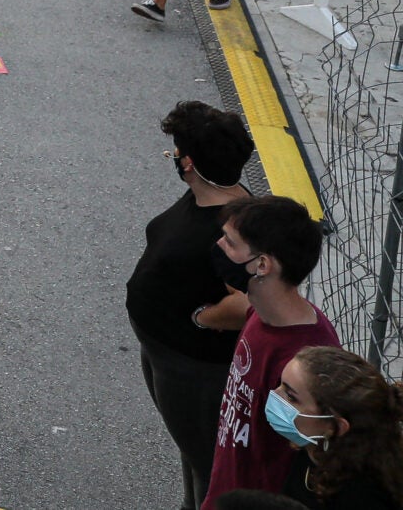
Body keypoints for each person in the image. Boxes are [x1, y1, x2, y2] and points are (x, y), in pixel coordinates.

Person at [130, 100, 259, 510]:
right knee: (189, 446)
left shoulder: (232, 227)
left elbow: (243, 304)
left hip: (193, 366)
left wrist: (200, 318)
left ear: (187, 162)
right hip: (165, 350)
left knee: (206, 459)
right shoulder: (214, 198)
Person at [210, 196, 341, 506]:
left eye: (230, 242)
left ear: (263, 264)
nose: (218, 245)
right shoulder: (260, 311)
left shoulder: (302, 360)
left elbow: (312, 448)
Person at [275, 346, 403, 510]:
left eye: (291, 397)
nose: (275, 395)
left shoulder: (360, 497)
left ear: (335, 425)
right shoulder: (313, 447)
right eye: (281, 385)